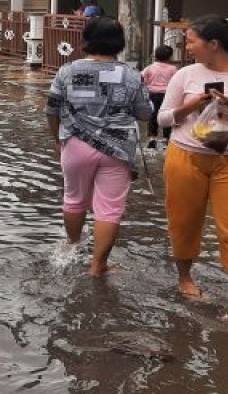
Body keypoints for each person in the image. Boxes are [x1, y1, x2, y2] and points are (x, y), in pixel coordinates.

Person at [157, 16, 228, 321]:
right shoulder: (185, 75)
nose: (187, 46)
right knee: (183, 222)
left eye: (192, 41)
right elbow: (163, 118)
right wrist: (190, 106)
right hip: (185, 155)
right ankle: (185, 280)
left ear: (214, 44)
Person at [46, 17, 153, 277]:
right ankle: (98, 265)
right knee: (110, 208)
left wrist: (58, 140)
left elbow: (52, 109)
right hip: (117, 148)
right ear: (119, 42)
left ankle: (72, 247)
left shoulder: (67, 71)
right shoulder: (131, 75)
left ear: (86, 39)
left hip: (74, 144)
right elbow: (145, 113)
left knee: (74, 199)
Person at [141, 45, 178, 148]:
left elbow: (141, 78)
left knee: (153, 116)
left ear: (155, 55)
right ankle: (167, 138)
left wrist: (147, 85)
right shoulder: (173, 69)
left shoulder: (150, 67)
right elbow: (176, 82)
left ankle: (152, 137)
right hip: (167, 95)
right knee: (168, 115)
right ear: (169, 57)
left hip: (152, 94)